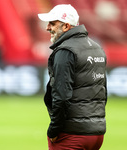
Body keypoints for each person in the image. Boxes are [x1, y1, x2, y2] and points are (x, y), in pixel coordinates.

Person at [38, 4, 107, 150]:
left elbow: (61, 96)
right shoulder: (97, 48)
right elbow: (102, 92)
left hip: (71, 135)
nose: (47, 27)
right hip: (96, 134)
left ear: (66, 26)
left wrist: (53, 130)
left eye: (52, 23)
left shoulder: (65, 50)